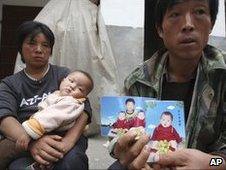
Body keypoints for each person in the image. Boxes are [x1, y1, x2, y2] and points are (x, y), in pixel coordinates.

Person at [108, 0, 226, 169]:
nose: (188, 25)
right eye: (175, 14)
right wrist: (124, 151)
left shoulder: (222, 76)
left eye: (199, 12)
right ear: (160, 29)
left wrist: (212, 163)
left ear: (212, 24)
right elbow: (117, 142)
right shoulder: (138, 81)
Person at [0, 21, 92, 170]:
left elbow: (85, 106)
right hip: (26, 145)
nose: (38, 49)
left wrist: (67, 142)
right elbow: (5, 117)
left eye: (45, 45)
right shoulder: (9, 84)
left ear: (50, 50)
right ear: (20, 48)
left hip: (63, 140)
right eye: (32, 43)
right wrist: (32, 143)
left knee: (73, 162)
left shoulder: (64, 76)